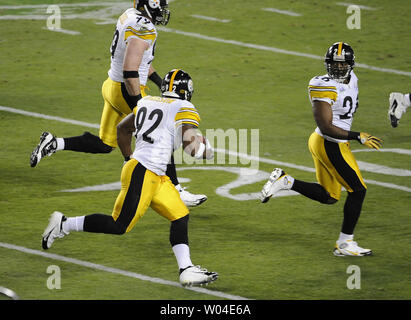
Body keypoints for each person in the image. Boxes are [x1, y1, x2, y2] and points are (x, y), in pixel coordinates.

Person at [41, 69, 218, 287]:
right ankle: (64, 224)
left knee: (180, 215)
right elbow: (191, 149)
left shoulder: (146, 101)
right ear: (186, 91)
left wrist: (128, 158)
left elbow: (122, 129)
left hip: (153, 173)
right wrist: (206, 150)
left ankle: (186, 269)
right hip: (144, 172)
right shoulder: (185, 107)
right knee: (118, 225)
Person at [30, 0, 207, 207]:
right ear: (149, 5)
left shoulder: (129, 16)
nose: (162, 12)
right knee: (160, 131)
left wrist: (159, 83)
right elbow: (130, 70)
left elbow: (139, 60)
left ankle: (54, 142)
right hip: (127, 89)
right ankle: (176, 190)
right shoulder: (144, 28)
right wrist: (142, 107)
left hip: (111, 86)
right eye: (160, 7)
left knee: (106, 144)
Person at [260, 42, 382, 257]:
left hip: (330, 143)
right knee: (358, 190)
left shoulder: (353, 79)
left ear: (351, 65)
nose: (339, 68)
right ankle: (345, 244)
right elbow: (327, 126)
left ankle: (286, 181)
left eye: (343, 63)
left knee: (330, 197)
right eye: (335, 63)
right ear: (327, 64)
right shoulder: (321, 85)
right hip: (329, 142)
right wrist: (357, 136)